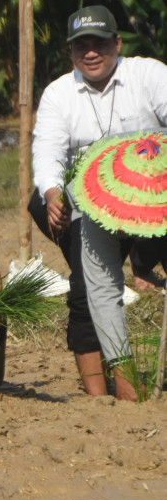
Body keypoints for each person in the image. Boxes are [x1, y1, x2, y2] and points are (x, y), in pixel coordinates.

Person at [30, 5, 167, 396]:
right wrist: (54, 194)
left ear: (118, 43)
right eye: (81, 46)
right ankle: (114, 389)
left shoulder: (149, 74)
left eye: (100, 43)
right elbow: (48, 152)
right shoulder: (59, 92)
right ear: (70, 51)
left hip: (155, 197)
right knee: (89, 291)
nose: (91, 53)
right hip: (89, 200)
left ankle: (143, 260)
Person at [73, 129, 167, 401]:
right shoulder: (96, 200)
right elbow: (103, 291)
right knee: (83, 287)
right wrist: (124, 374)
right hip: (102, 207)